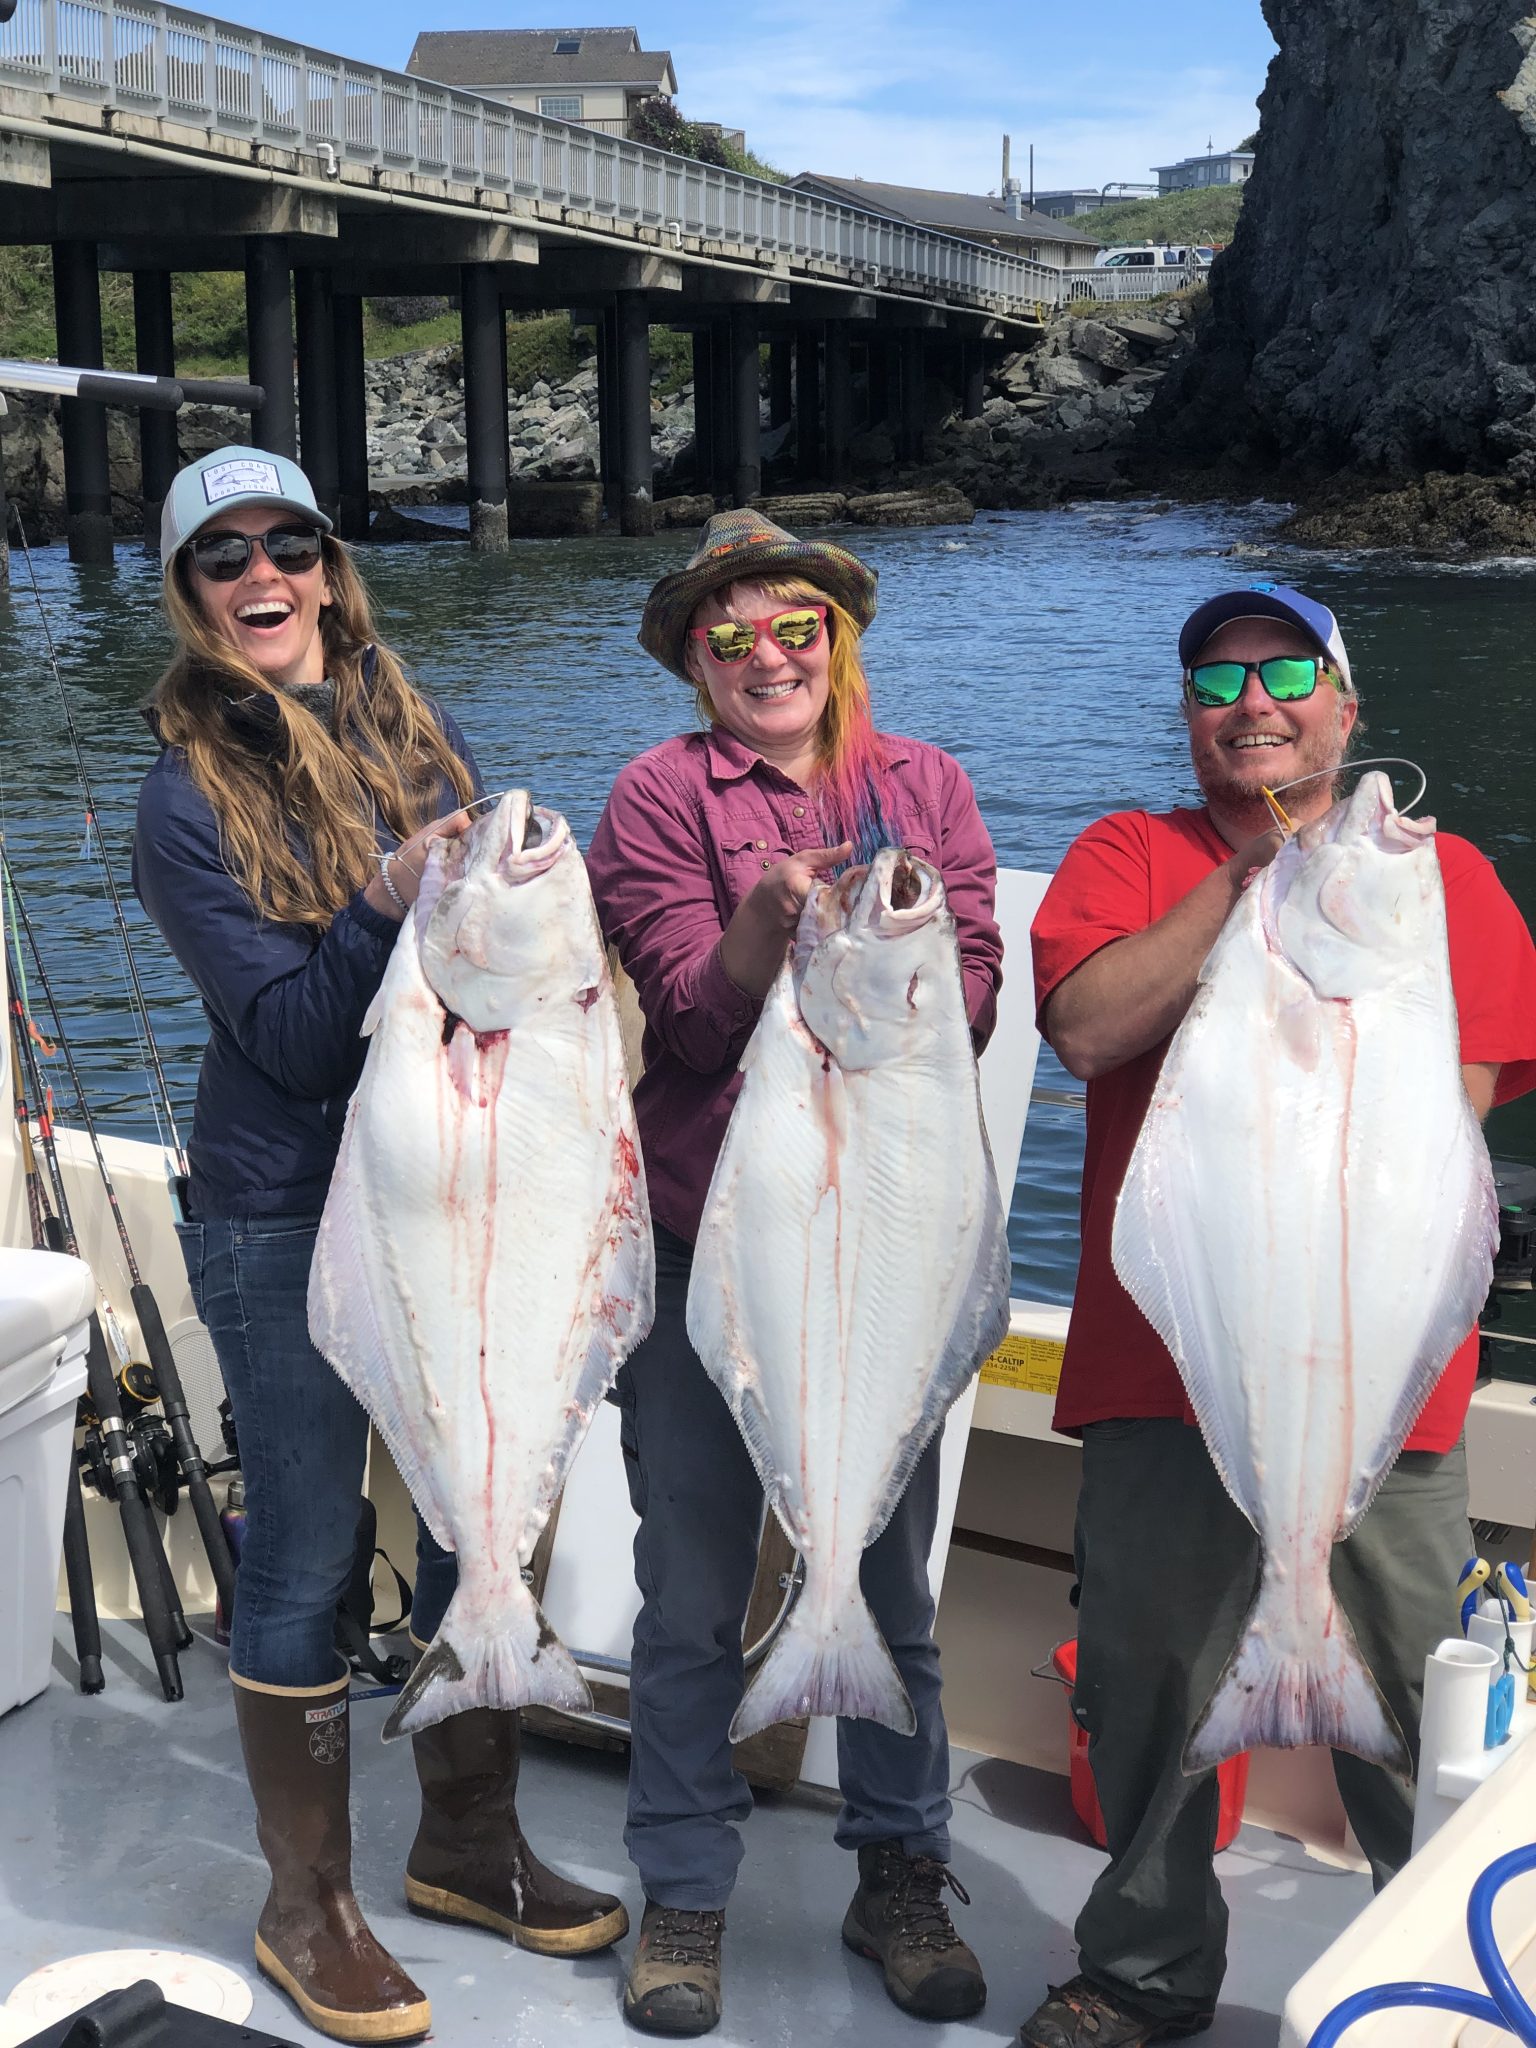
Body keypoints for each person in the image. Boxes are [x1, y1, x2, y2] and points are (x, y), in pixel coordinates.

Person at [133, 447, 627, 2046]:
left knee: (498, 1506)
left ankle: (468, 1846)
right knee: (302, 1551)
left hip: (463, 1194)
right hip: (284, 1208)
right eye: (224, 555)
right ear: (194, 597)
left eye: (290, 542)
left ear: (334, 570)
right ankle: (309, 1907)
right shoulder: (175, 800)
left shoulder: (422, 735)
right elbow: (285, 1039)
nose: (262, 572)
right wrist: (388, 903)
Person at [1023, 584, 1536, 2048]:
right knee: (1149, 1691)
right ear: (1187, 715)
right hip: (1160, 1367)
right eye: (1218, 679)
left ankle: (1447, 1990)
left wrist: (1334, 889)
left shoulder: (1450, 885)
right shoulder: (1133, 855)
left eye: (1291, 670)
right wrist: (1251, 888)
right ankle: (1141, 1970)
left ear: (1347, 704)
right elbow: (1086, 1024)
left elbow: (1454, 1135)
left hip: (1381, 1384)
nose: (1255, 700)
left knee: (1420, 1701)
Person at [586, 509, 1005, 2037]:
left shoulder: (927, 786)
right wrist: (768, 928)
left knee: (893, 1592)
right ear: (696, 659)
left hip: (888, 1256)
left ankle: (901, 1869)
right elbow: (690, 1026)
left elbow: (966, 990)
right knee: (689, 1594)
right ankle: (683, 1892)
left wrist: (888, 952)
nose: (769, 656)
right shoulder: (653, 797)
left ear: (841, 642)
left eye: (798, 629)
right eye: (733, 635)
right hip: (718, 1255)